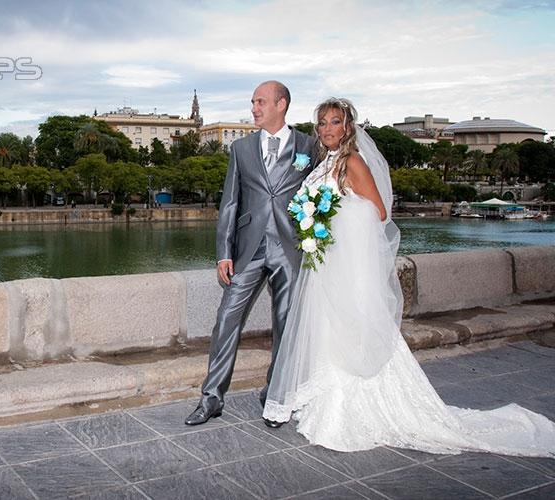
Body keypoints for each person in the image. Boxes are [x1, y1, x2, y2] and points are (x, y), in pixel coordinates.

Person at [263, 97, 555, 457]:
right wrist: (314, 224)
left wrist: (324, 225)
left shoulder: (352, 161)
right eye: (321, 123)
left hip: (343, 267)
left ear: (348, 127)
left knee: (348, 331)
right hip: (326, 265)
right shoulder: (328, 161)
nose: (326, 129)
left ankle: (350, 412)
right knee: (327, 330)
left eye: (334, 122)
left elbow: (378, 212)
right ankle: (326, 404)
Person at [185, 81, 316, 425]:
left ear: (281, 104)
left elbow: (321, 192)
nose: (254, 108)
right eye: (253, 102)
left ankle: (276, 396)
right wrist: (223, 252)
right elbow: (229, 203)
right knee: (226, 319)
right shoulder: (241, 148)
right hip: (248, 250)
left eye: (260, 102)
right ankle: (212, 398)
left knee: (286, 326)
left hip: (292, 248)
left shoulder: (309, 145)